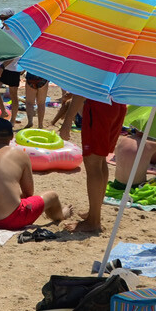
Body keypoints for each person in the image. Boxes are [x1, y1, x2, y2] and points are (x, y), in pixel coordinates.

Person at [0, 118, 66, 229]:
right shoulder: (21, 155)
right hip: (14, 219)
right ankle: (62, 215)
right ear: (12, 137)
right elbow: (28, 193)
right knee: (52, 196)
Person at [69, 95, 127, 234]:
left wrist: (66, 123)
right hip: (117, 103)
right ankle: (94, 213)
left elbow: (81, 90)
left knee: (93, 163)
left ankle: (93, 221)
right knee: (100, 160)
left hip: (99, 106)